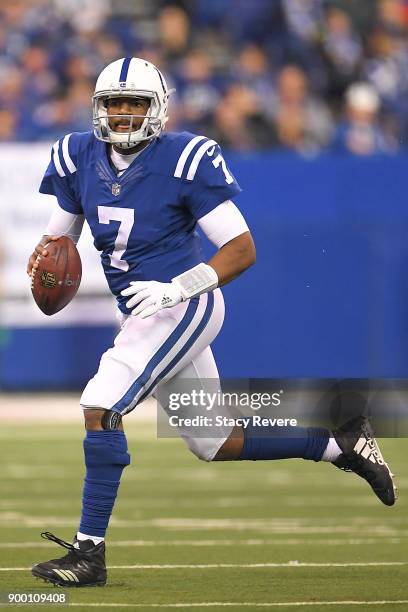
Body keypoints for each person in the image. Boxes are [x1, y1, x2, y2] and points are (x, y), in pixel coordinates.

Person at [28, 57, 396, 588]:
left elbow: (241, 248)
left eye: (136, 104)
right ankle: (341, 444)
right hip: (141, 309)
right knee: (213, 441)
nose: (125, 114)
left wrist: (180, 286)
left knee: (101, 404)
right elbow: (56, 242)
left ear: (158, 110)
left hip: (183, 302)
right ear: (98, 108)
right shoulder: (76, 155)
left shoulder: (184, 158)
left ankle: (89, 554)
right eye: (115, 103)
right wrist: (43, 263)